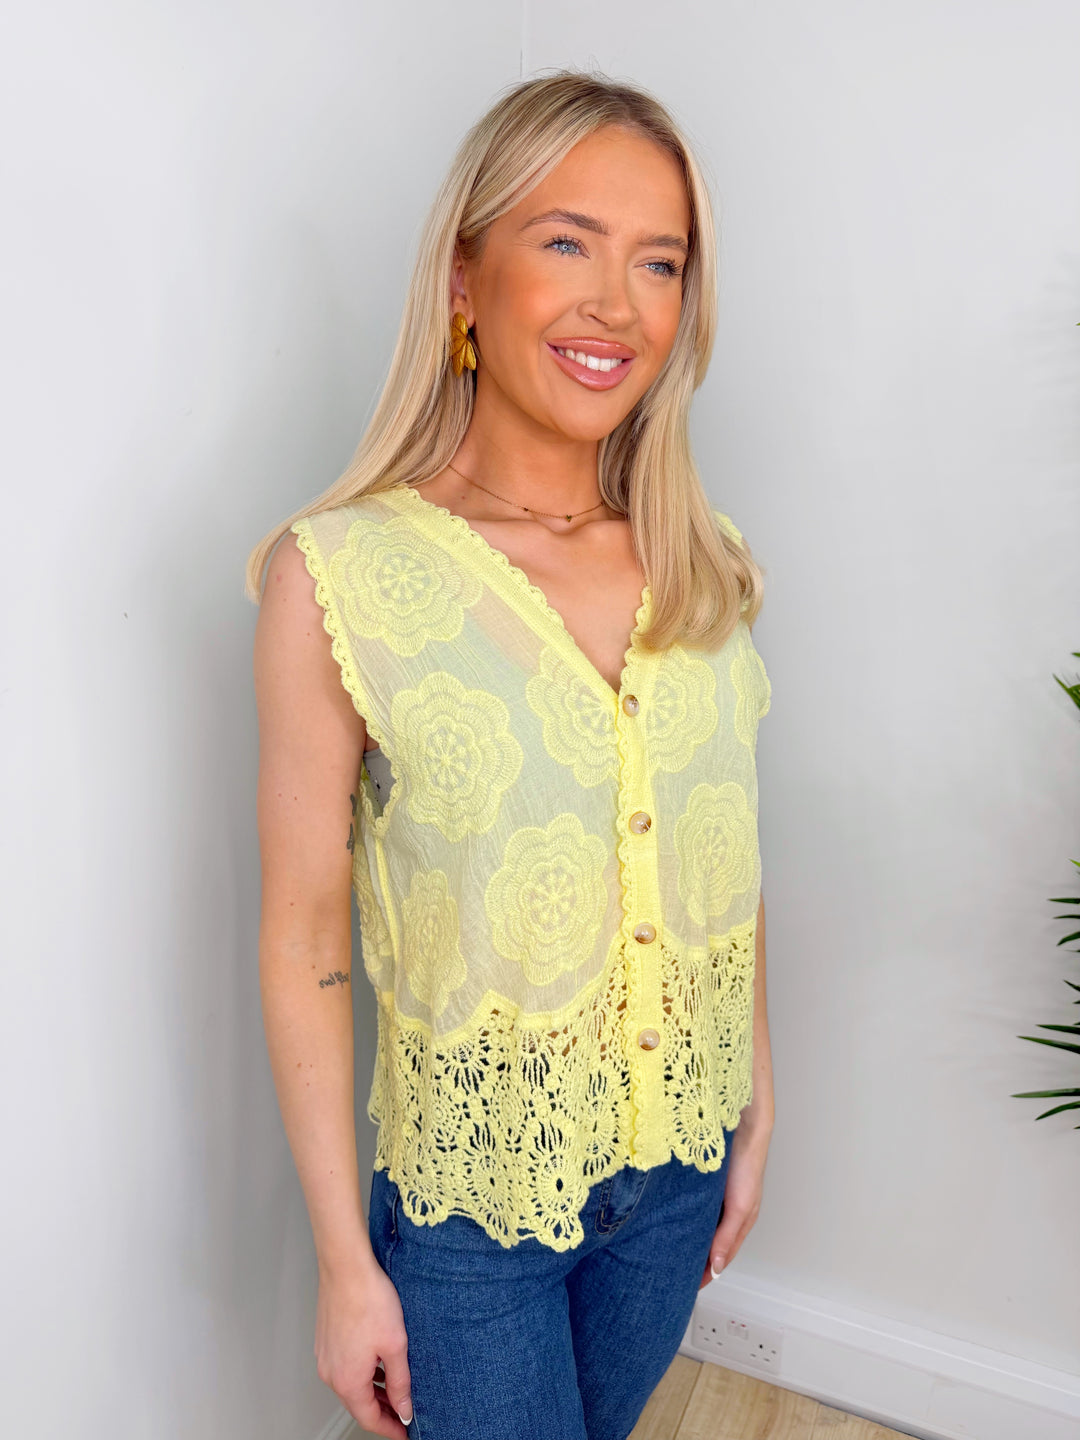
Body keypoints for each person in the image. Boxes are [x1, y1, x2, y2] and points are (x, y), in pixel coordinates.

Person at [247, 68, 774, 1440]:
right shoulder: (341, 576)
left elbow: (724, 860)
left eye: (659, 262)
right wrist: (345, 1267)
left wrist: (752, 1097)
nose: (620, 304)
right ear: (464, 279)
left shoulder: (705, 565)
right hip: (471, 1226)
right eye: (567, 243)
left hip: (677, 1180)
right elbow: (303, 934)